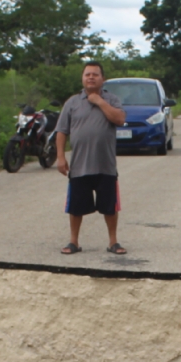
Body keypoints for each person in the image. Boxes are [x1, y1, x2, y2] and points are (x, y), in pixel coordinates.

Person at [54, 61, 128, 255]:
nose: (91, 77)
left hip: (106, 165)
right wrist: (60, 157)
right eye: (87, 74)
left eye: (95, 74)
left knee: (110, 207)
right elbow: (61, 132)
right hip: (79, 165)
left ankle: (113, 242)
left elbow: (119, 119)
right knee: (75, 207)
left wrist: (99, 102)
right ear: (83, 78)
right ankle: (73, 242)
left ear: (102, 79)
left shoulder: (111, 100)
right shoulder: (72, 102)